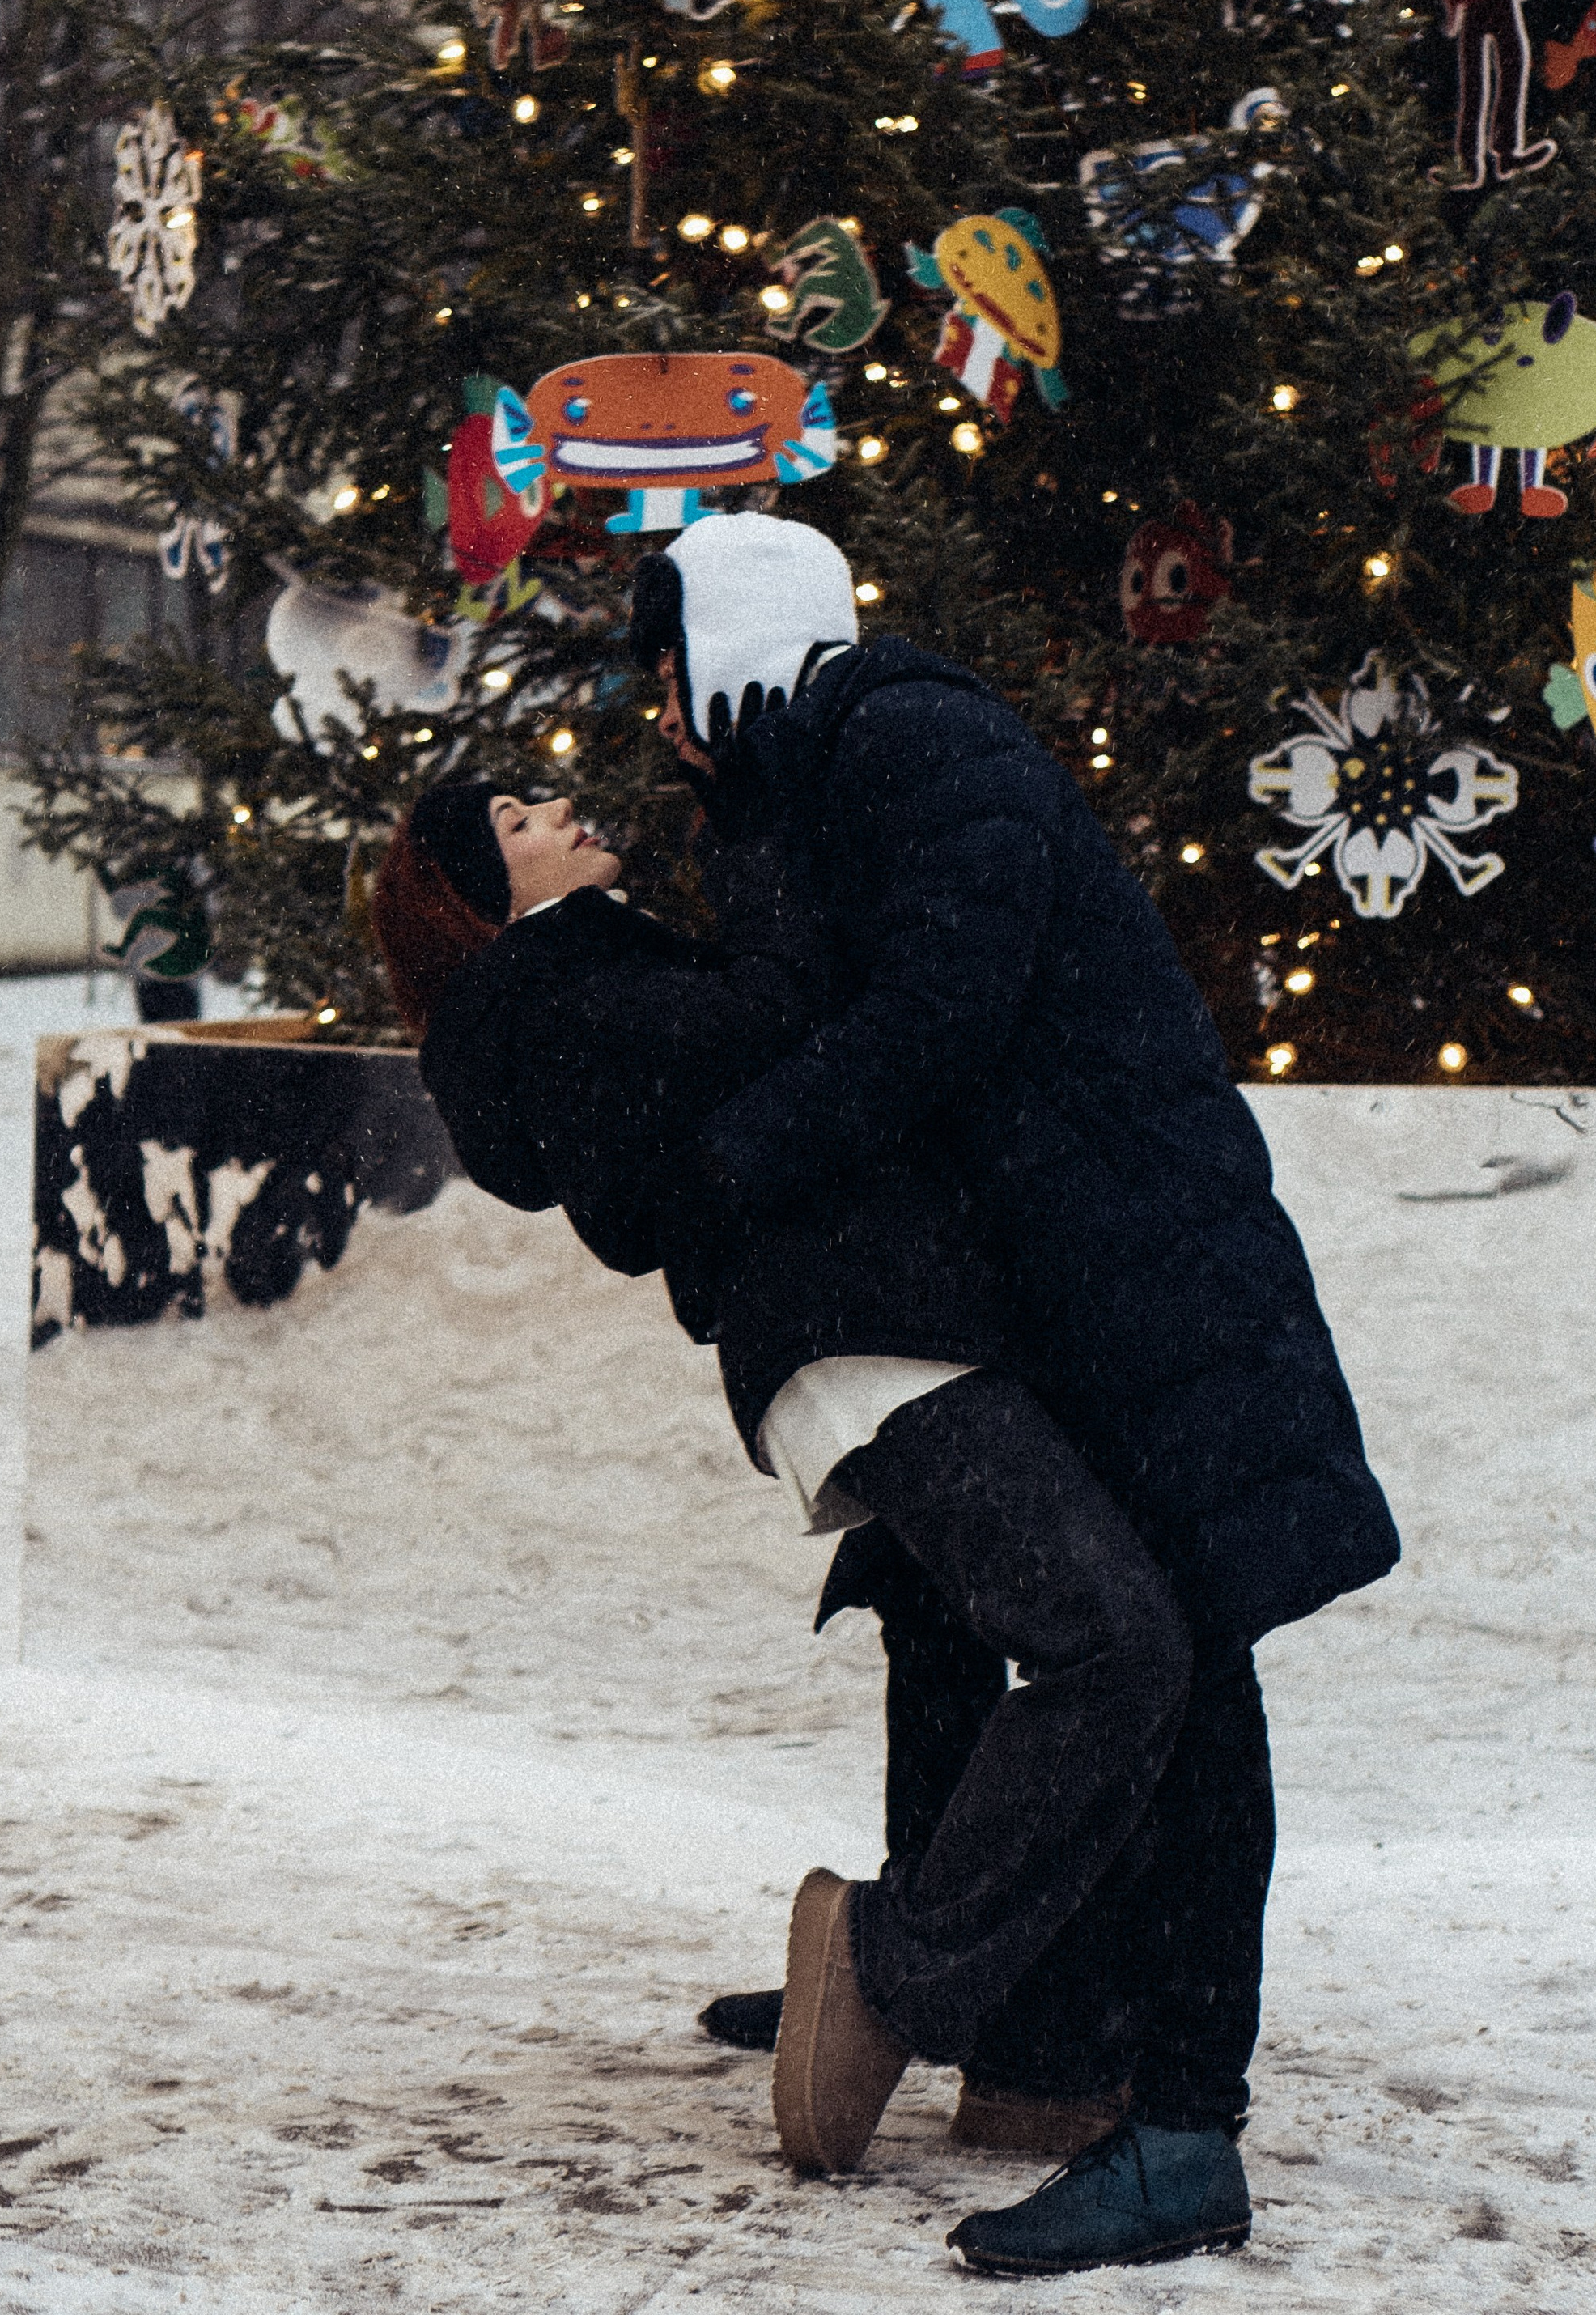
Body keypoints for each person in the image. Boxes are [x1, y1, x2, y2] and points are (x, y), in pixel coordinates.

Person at [626, 512, 1401, 2278]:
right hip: (1063, 1270)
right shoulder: (822, 772)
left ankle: (1166, 2118)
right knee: (967, 1611)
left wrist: (731, 1164)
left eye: (666, 662)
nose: (655, 708)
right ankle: (959, 1997)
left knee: (1182, 1667)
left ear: (739, 635)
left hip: (1144, 1267)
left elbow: (937, 1012)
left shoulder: (914, 736)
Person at [368, 766, 1118, 2164]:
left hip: (889, 1319)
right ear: (483, 902)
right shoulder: (557, 1004)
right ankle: (898, 1968)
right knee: (1103, 1641)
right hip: (865, 1332)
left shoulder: (583, 981)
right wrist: (766, 850)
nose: (560, 809)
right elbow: (772, 1020)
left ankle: (1026, 2047)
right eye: (518, 827)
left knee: (953, 1636)